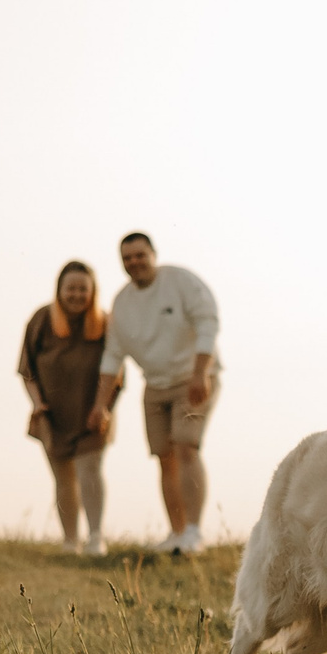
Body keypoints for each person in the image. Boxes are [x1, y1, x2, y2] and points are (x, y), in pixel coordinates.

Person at [98, 232, 219, 554]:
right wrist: (101, 406)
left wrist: (201, 372)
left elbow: (207, 324)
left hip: (193, 377)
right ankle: (176, 533)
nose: (134, 262)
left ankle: (194, 532)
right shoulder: (122, 302)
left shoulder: (180, 281)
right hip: (154, 384)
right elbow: (112, 356)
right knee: (164, 457)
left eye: (140, 255)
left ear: (153, 254)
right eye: (127, 258)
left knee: (186, 446)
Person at [18, 260, 113, 554]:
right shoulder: (41, 320)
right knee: (63, 477)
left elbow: (115, 371)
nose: (76, 295)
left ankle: (96, 537)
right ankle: (71, 541)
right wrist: (37, 403)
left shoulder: (105, 323)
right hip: (51, 413)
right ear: (59, 289)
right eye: (71, 288)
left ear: (93, 291)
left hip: (92, 411)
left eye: (83, 289)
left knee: (90, 470)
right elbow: (26, 369)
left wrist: (102, 406)